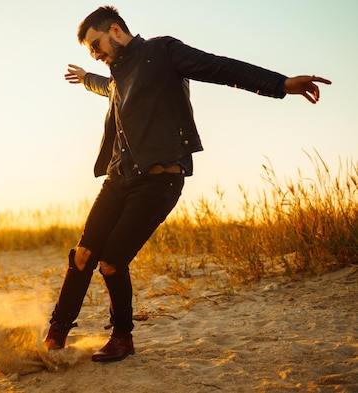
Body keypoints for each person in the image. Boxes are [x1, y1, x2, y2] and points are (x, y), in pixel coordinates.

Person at [44, 5, 331, 362]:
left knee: (112, 261)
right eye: (90, 51)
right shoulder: (117, 78)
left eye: (96, 45)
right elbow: (108, 88)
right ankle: (55, 334)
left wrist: (281, 84)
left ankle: (122, 338)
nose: (96, 53)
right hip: (120, 179)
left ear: (115, 30)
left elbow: (219, 67)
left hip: (158, 182)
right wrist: (87, 75)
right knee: (84, 254)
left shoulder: (161, 53)